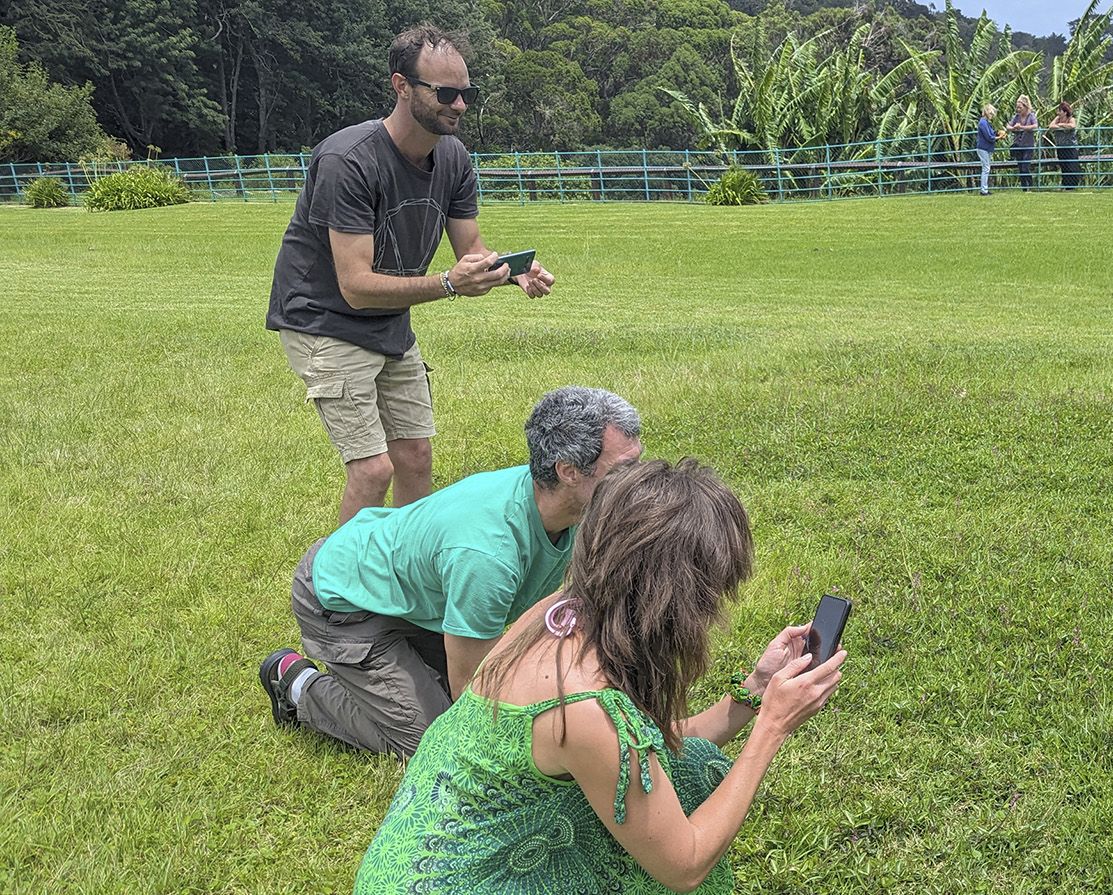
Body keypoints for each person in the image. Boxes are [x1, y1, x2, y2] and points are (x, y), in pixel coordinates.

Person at [353, 458, 848, 894]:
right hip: (458, 882)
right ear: (675, 597)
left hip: (413, 869)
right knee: (685, 796)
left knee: (689, 765)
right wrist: (772, 728)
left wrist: (755, 692)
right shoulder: (589, 710)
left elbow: (652, 752)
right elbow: (686, 865)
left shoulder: (558, 614)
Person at [267, 24, 558, 526]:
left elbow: (472, 250)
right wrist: (448, 284)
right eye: (445, 93)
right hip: (323, 320)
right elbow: (356, 287)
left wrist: (511, 272)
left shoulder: (454, 158)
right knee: (373, 469)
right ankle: (338, 593)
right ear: (401, 86)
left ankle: (405, 577)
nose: (460, 105)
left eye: (466, 93)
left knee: (416, 458)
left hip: (389, 321)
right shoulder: (347, 160)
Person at [257, 386, 641, 757]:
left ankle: (397, 672)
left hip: (407, 601)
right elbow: (470, 690)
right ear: (569, 471)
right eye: (626, 469)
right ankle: (297, 684)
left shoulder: (573, 510)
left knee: (505, 686)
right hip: (339, 603)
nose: (639, 482)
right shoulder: (487, 554)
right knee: (434, 739)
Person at [1007, 95, 1039, 191]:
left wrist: (1023, 127)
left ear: (1025, 106)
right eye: (1017, 107)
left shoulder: (1031, 116)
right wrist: (1013, 128)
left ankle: (1031, 185)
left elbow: (1035, 126)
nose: (1018, 109)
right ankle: (1024, 188)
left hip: (1028, 145)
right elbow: (1008, 126)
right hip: (1018, 145)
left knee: (1025, 166)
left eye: (1020, 107)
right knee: (1020, 167)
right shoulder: (1016, 117)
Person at [1049, 101, 1081, 189]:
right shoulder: (1057, 118)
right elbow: (1051, 126)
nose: (1058, 113)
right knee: (1064, 166)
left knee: (1072, 166)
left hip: (1071, 147)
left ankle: (1073, 186)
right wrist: (1060, 125)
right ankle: (1066, 185)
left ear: (1065, 112)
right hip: (1060, 147)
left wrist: (1060, 125)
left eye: (1060, 111)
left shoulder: (1071, 119)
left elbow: (1072, 126)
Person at [974, 103, 1002, 195]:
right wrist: (999, 137)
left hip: (986, 148)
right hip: (983, 148)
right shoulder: (983, 123)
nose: (992, 116)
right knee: (986, 168)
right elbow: (989, 137)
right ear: (986, 113)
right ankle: (984, 190)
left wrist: (997, 133)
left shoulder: (985, 122)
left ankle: (984, 189)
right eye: (991, 114)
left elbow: (992, 133)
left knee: (986, 168)